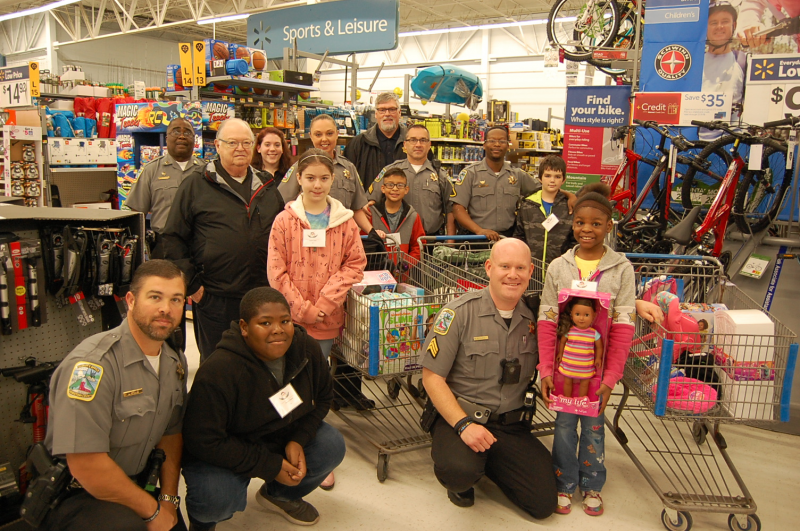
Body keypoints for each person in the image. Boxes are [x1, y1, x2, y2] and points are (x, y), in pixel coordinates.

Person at [181, 287, 345, 530]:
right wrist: (268, 465)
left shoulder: (306, 349)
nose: (278, 329)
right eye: (265, 322)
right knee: (216, 497)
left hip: (279, 434)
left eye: (285, 321)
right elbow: (203, 440)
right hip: (228, 448)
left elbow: (323, 397)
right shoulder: (218, 370)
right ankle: (203, 523)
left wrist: (299, 439)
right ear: (245, 328)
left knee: (330, 444)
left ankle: (278, 495)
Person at [42, 259, 188, 531]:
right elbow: (87, 465)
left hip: (138, 484)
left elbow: (171, 434)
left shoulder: (174, 362)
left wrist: (168, 500)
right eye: (155, 297)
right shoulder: (92, 367)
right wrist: (153, 512)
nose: (165, 309)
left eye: (176, 300)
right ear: (131, 300)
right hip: (81, 492)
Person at [420, 237, 558, 519]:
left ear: (531, 272)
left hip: (510, 423)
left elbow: (590, 313)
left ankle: (488, 459)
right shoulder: (457, 313)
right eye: (504, 266)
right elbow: (431, 377)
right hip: (461, 416)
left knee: (543, 504)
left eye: (520, 268)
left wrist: (638, 303)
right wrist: (463, 425)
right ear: (488, 267)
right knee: (459, 472)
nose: (512, 275)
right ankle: (468, 469)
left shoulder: (537, 316)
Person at [268, 149, 366, 492]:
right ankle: (280, 443)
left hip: (327, 318)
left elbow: (354, 264)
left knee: (313, 383)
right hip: (288, 320)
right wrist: (301, 308)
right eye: (310, 178)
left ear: (333, 180)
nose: (317, 184)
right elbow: (276, 271)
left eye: (324, 178)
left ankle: (313, 451)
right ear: (298, 179)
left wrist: (322, 305)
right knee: (283, 383)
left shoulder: (345, 222)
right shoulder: (284, 221)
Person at [537, 182, 636, 517]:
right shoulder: (558, 268)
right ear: (572, 222)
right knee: (564, 427)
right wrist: (546, 370)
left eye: (596, 223)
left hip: (597, 374)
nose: (587, 229)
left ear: (609, 225)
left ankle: (592, 484)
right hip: (565, 373)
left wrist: (611, 378)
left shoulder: (621, 269)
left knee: (594, 429)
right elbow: (548, 323)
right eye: (580, 222)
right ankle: (564, 484)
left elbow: (623, 328)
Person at [162, 118, 284, 362]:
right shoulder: (195, 185)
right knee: (219, 365)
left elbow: (283, 237)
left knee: (262, 362)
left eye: (246, 143)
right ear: (217, 146)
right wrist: (194, 288)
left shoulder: (268, 187)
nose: (240, 148)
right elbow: (173, 239)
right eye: (232, 142)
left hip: (261, 295)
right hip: (215, 298)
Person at [452, 126, 572, 240]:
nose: (497, 144)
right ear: (484, 145)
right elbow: (458, 208)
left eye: (502, 141)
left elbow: (546, 188)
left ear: (508, 145)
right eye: (492, 140)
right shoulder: (470, 174)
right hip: (477, 239)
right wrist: (479, 231)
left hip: (507, 238)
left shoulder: (517, 175)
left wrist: (570, 195)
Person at [279, 114, 379, 236]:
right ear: (311, 136)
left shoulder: (348, 168)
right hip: (307, 237)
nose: (324, 139)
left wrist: (372, 232)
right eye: (318, 134)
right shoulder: (300, 168)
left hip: (341, 237)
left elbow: (356, 208)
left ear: (337, 134)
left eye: (329, 133)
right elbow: (283, 205)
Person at [124, 117, 203, 258]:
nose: (182, 136)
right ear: (167, 138)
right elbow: (137, 213)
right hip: (164, 246)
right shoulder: (151, 170)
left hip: (200, 244)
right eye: (176, 131)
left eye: (188, 133)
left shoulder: (206, 171)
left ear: (194, 140)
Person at [368, 123, 456, 236]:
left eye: (423, 140)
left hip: (431, 240)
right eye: (413, 140)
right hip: (398, 240)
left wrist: (449, 242)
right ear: (405, 144)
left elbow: (451, 210)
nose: (418, 144)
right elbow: (370, 202)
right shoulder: (390, 171)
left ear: (429, 145)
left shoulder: (440, 175)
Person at [513, 154, 572, 269]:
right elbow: (519, 236)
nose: (552, 180)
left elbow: (573, 240)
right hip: (531, 270)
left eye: (557, 176)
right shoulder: (527, 205)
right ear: (540, 178)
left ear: (563, 180)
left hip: (560, 269)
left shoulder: (568, 206)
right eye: (548, 176)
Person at [344, 92, 407, 190]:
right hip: (368, 204)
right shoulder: (358, 143)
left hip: (405, 204)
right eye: (382, 110)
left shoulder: (414, 142)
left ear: (399, 113)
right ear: (376, 114)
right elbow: (347, 179)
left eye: (392, 109)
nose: (387, 114)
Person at [701, 1, 745, 140]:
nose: (719, 27)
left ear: (734, 25)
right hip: (697, 143)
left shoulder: (743, 60)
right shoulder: (696, 62)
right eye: (713, 22)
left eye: (725, 21)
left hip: (730, 143)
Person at [367, 168, 425, 261]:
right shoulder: (371, 213)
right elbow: (363, 241)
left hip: (403, 272)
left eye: (400, 185)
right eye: (390, 185)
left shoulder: (413, 216)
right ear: (383, 188)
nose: (395, 189)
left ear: (406, 189)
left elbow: (418, 246)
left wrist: (406, 264)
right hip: (376, 271)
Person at [556, 298, 603, 399]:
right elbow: (562, 342)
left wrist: (598, 358)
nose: (581, 318)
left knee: (584, 384)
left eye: (586, 315)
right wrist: (560, 353)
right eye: (577, 314)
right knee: (567, 382)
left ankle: (581, 400)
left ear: (593, 315)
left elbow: (599, 347)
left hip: (585, 366)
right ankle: (567, 399)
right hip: (569, 364)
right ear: (571, 314)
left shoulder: (593, 333)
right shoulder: (569, 331)